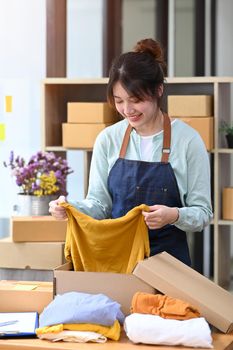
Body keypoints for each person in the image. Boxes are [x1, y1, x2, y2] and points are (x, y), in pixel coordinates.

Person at [49, 38, 213, 266]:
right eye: (119, 101)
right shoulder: (108, 139)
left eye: (135, 100)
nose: (127, 110)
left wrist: (173, 215)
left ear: (158, 90)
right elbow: (99, 204)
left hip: (169, 264)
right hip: (117, 261)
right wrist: (70, 208)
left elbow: (203, 213)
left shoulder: (188, 141)